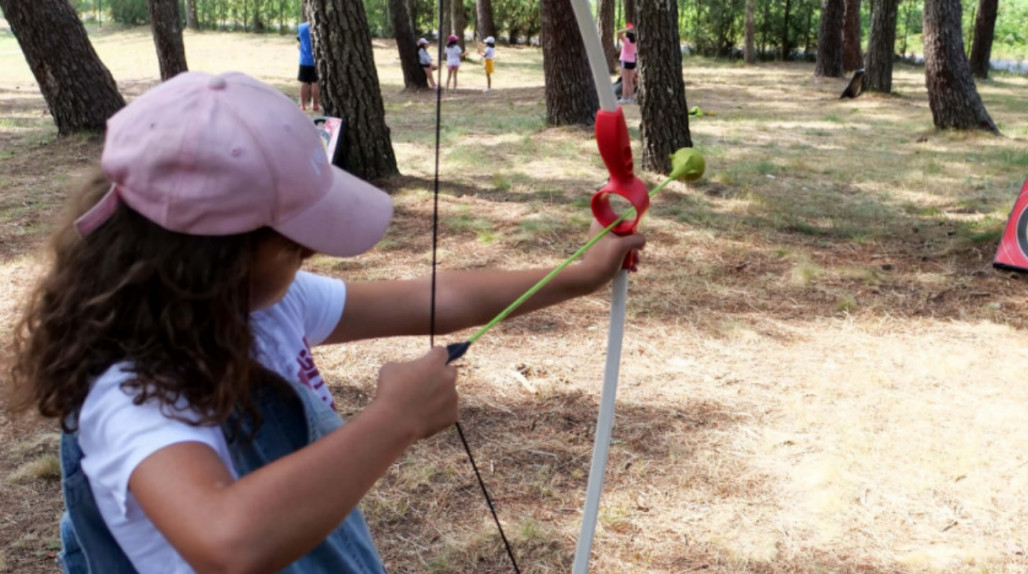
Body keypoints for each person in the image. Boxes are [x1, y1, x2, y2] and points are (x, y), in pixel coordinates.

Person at [8, 71, 644, 574]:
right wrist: (393, 421)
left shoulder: (266, 303)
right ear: (216, 263)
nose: (309, 255)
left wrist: (580, 275)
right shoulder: (130, 391)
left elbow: (434, 298)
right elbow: (226, 544)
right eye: (296, 243)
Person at [297, 20, 319, 111]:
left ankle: (302, 105)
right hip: (316, 60)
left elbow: (298, 44)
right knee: (315, 82)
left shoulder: (301, 27)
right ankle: (315, 105)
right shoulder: (318, 26)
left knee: (304, 82)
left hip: (304, 60)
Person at [616, 23, 637, 105]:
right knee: (630, 81)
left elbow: (618, 32)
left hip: (624, 61)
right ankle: (631, 99)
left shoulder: (625, 40)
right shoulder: (635, 42)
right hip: (632, 62)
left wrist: (626, 29)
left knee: (625, 81)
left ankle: (624, 98)